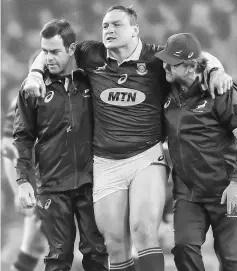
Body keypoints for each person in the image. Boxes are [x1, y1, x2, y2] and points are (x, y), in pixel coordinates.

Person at [21, 6, 233, 271]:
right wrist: (34, 74)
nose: (109, 30)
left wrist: (217, 71)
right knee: (116, 243)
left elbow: (201, 57)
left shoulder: (157, 59)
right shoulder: (91, 53)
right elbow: (51, 50)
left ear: (135, 30)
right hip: (106, 162)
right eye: (105, 25)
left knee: (143, 230)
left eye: (116, 25)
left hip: (146, 156)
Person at [13, 19, 108, 271]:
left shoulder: (91, 80)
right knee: (58, 257)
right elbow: (22, 137)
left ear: (71, 48)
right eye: (44, 51)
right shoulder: (32, 89)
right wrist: (23, 182)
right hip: (52, 185)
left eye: (55, 51)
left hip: (92, 183)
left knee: (97, 254)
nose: (48, 58)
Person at [156, 32, 237, 271]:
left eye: (170, 62)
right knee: (183, 247)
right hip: (189, 194)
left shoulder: (221, 91)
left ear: (191, 66)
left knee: (232, 258)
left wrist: (236, 182)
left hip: (227, 192)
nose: (164, 66)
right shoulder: (167, 93)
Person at [2, 97, 47, 271]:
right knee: (34, 244)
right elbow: (8, 147)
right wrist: (19, 190)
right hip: (37, 177)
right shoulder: (29, 94)